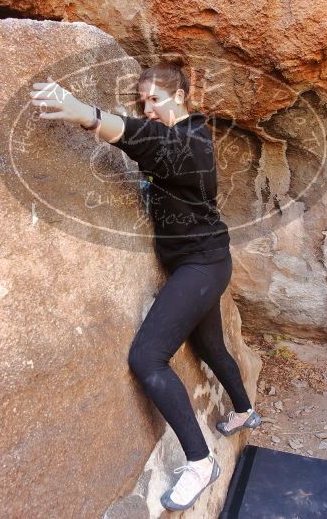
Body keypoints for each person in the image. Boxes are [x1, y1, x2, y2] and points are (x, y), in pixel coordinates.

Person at [29, 61, 261, 511]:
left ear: (183, 97)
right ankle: (245, 411)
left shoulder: (194, 139)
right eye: (144, 102)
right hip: (204, 262)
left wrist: (89, 115)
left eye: (157, 99)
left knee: (147, 358)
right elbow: (151, 152)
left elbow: (155, 144)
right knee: (211, 345)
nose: (149, 109)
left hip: (202, 265)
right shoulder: (179, 139)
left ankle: (200, 461)